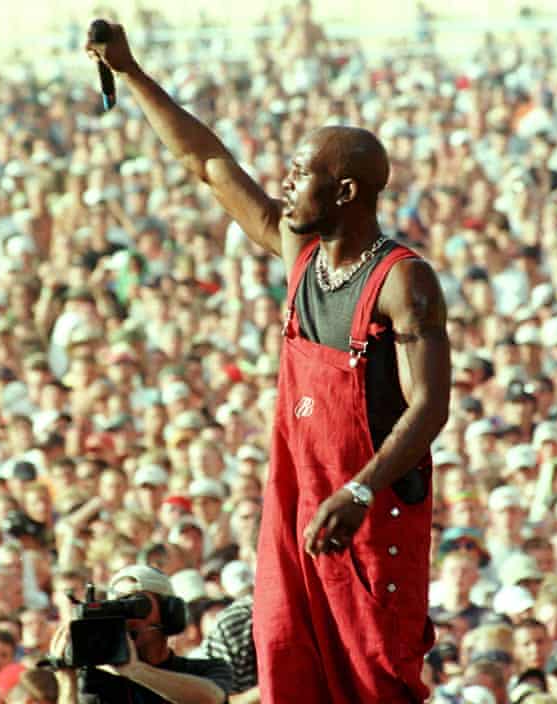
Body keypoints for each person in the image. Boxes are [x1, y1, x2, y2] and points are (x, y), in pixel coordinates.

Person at [86, 21, 450, 704]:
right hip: (299, 507)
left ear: (345, 192)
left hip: (368, 521)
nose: (285, 186)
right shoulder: (302, 256)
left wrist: (361, 490)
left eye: (300, 174)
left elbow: (430, 406)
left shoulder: (403, 281)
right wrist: (132, 73)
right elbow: (209, 165)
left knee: (375, 684)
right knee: (290, 669)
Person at [48, 565, 231, 704]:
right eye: (119, 606)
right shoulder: (96, 682)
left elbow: (213, 697)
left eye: (137, 604)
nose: (128, 618)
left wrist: (136, 671)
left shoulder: (205, 670)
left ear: (169, 612)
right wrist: (66, 681)